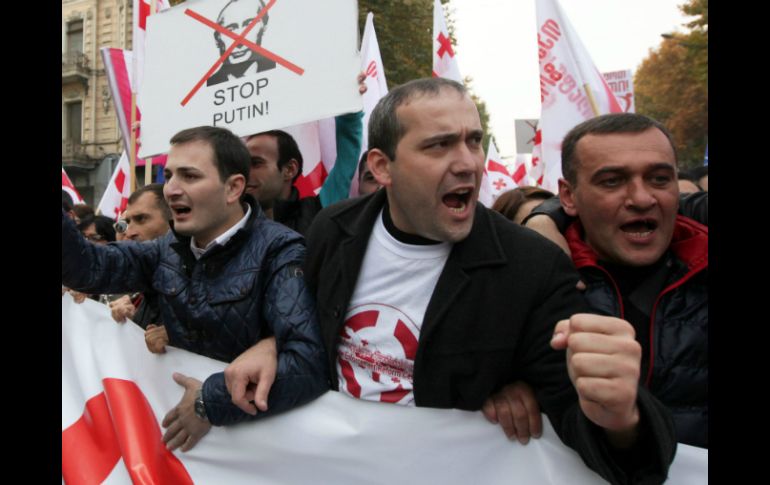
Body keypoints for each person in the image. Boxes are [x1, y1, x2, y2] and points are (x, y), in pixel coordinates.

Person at [226, 78, 676, 484]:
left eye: (473, 141)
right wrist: (272, 344)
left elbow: (597, 429)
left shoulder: (531, 267)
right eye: (439, 146)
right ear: (382, 167)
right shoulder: (332, 228)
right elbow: (307, 325)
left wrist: (623, 420)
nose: (467, 164)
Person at [62, 125, 328, 452]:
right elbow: (88, 268)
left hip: (256, 453)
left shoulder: (281, 252)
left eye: (189, 176)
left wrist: (208, 401)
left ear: (233, 188)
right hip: (183, 447)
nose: (171, 189)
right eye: (170, 174)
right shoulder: (164, 250)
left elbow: (307, 363)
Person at [501, 113, 707, 449]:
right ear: (568, 196)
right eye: (612, 181)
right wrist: (494, 388)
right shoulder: (529, 286)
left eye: (658, 178)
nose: (641, 198)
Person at [243, 75, 366, 235]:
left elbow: (347, 155)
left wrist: (348, 102)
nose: (244, 172)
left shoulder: (319, 212)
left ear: (289, 169)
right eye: (243, 163)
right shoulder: (228, 225)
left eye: (256, 163)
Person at [107, 184, 172, 334]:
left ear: (173, 219)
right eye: (127, 223)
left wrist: (176, 336)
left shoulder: (195, 276)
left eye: (141, 219)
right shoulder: (146, 279)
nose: (128, 233)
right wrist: (132, 322)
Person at [207, 0, 275, 87]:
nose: (239, 41)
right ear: (217, 39)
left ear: (264, 27)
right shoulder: (211, 84)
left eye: (250, 25)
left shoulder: (280, 70)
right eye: (230, 30)